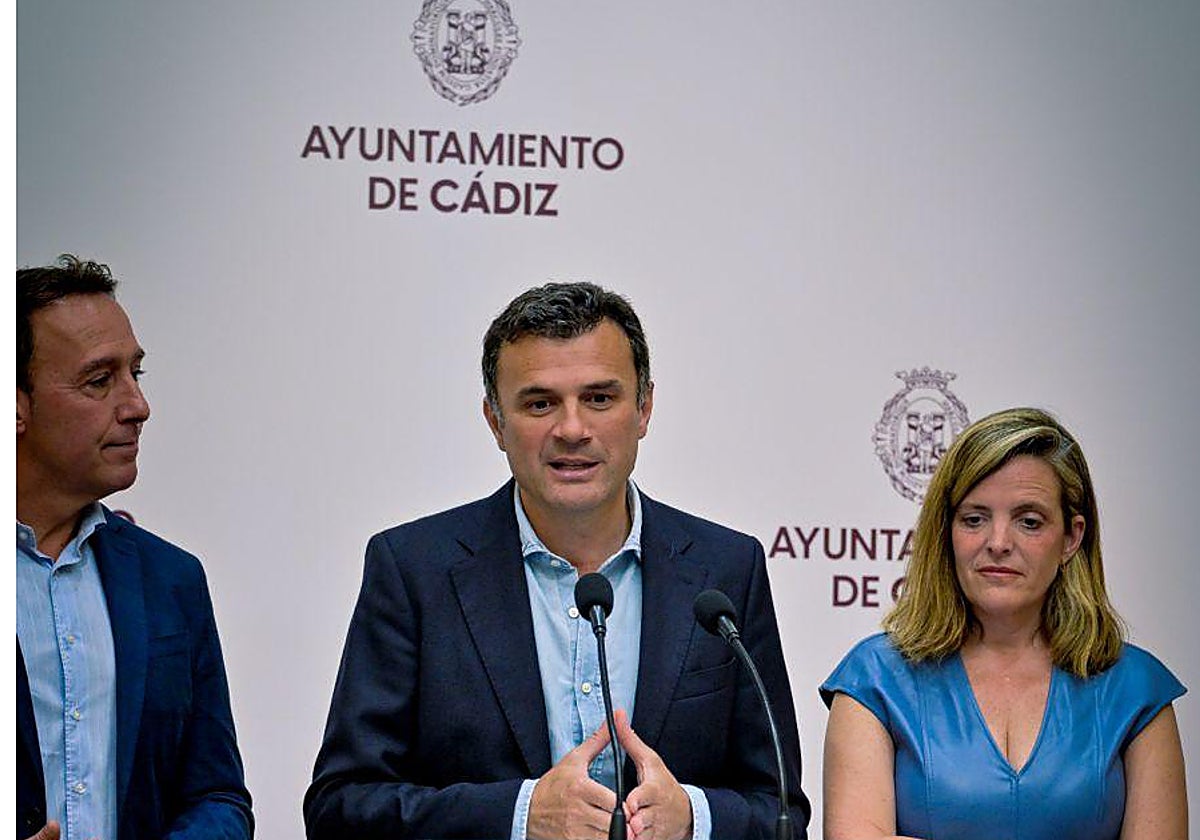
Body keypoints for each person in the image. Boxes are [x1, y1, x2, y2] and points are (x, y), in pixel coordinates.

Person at [305, 282, 809, 840]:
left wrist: (693, 817)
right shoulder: (413, 570)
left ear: (643, 408)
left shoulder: (726, 570)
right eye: (540, 403)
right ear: (496, 422)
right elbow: (341, 808)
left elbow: (781, 810)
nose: (572, 429)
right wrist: (522, 816)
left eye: (599, 398)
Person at [821, 407, 1188, 840]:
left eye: (1029, 521)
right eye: (974, 519)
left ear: (1071, 538)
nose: (998, 543)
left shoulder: (1136, 689)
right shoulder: (875, 678)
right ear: (947, 532)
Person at [16, 255, 253, 840]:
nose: (137, 406)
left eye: (135, 375)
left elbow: (217, 795)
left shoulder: (171, 579)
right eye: (100, 381)